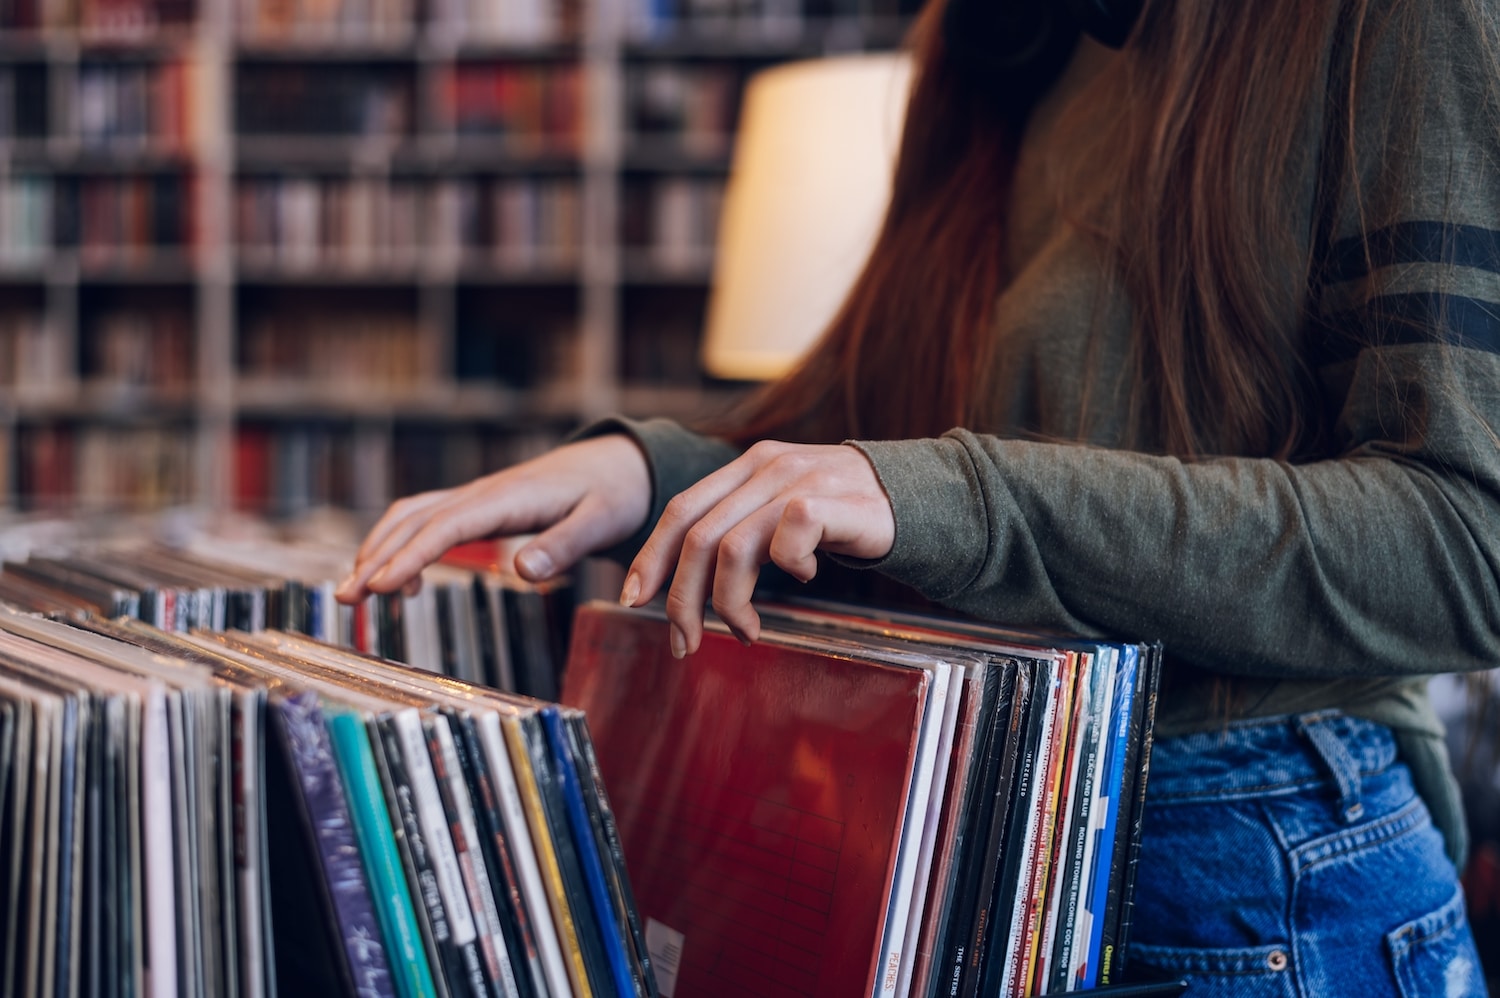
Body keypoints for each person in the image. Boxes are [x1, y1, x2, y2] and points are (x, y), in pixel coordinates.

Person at [337, 0, 1500, 992]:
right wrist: (649, 472)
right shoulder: (1015, 42)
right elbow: (891, 425)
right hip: (997, 829)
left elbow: (1468, 540)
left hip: (1254, 876)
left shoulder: (1387, 24)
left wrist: (959, 496)